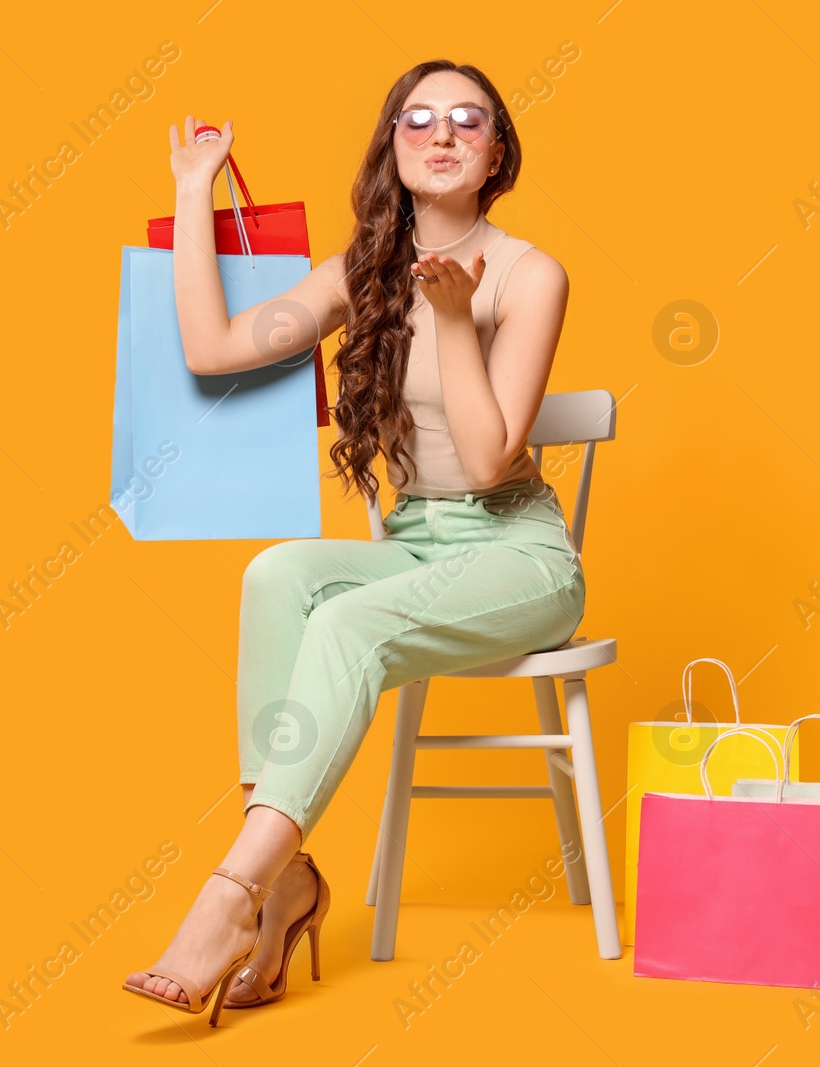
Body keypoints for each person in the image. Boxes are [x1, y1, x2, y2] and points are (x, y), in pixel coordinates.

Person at [123, 59, 584, 1026]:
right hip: (418, 546)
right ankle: (285, 877)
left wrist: (456, 318)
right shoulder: (359, 273)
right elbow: (211, 351)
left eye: (469, 119)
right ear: (393, 147)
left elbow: (494, 460)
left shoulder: (532, 274)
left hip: (517, 557)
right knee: (280, 574)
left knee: (350, 625)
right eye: (419, 120)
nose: (444, 132)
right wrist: (193, 190)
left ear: (498, 152)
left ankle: (229, 893)